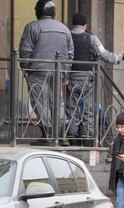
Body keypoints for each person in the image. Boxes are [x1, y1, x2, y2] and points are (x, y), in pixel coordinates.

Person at [66, 12, 124, 146]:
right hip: (87, 79)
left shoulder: (66, 36)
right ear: (85, 25)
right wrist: (122, 57)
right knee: (89, 109)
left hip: (70, 78)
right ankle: (87, 136)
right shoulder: (91, 38)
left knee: (71, 109)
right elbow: (105, 55)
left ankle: (71, 136)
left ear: (73, 24)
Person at [19, 0, 74, 145]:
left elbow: (25, 50)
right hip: (59, 72)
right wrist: (66, 72)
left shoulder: (32, 26)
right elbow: (70, 54)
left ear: (39, 11)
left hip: (38, 71)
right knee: (58, 102)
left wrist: (25, 67)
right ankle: (61, 136)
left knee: (40, 102)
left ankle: (48, 135)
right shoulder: (64, 28)